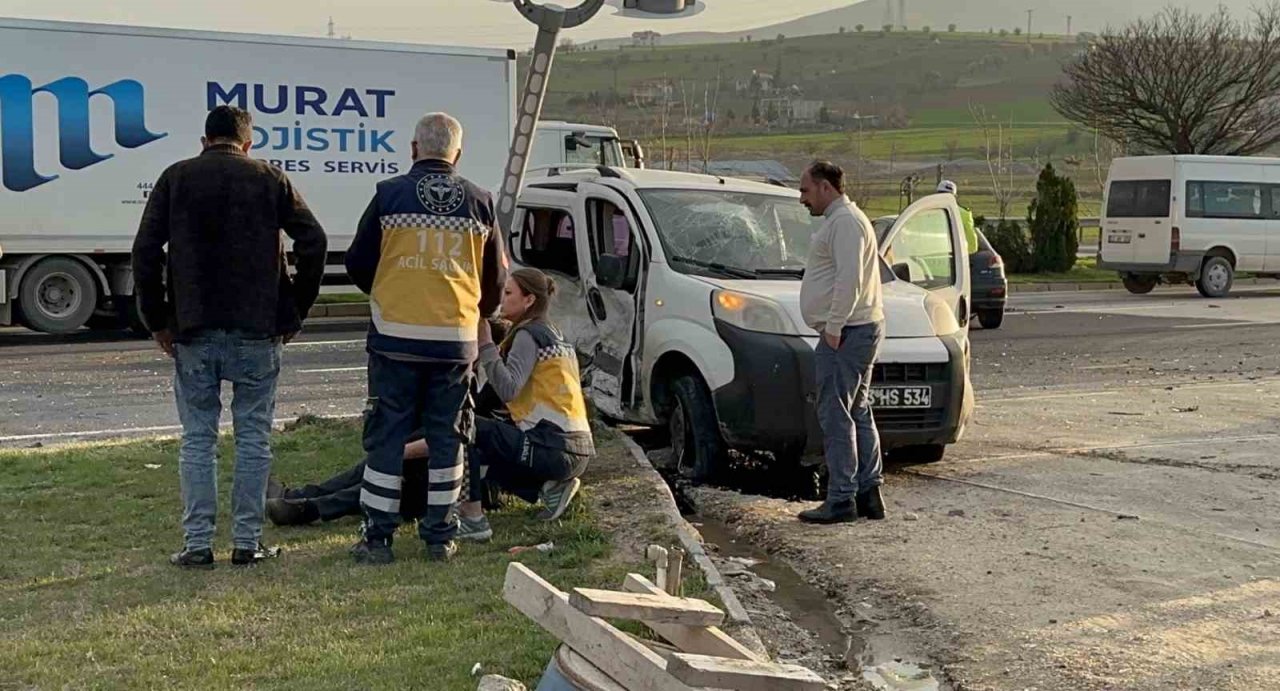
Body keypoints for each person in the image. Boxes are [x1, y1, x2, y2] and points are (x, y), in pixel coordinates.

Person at [132, 105, 328, 568]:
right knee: (253, 437)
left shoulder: (176, 177)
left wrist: (157, 319)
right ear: (248, 143)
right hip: (258, 328)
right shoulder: (270, 178)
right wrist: (294, 309)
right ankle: (247, 541)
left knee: (197, 438)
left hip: (193, 326)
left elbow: (145, 250)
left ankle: (197, 544)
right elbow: (314, 241)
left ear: (204, 141)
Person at [344, 112, 506, 564]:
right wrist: (477, 311)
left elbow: (358, 262)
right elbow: (496, 279)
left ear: (414, 149)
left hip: (395, 338)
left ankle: (378, 538)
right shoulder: (480, 202)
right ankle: (440, 536)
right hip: (454, 343)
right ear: (458, 153)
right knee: (448, 438)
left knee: (387, 437)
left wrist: (389, 289)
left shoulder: (389, 195)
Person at [265, 323, 510, 527]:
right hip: (440, 463)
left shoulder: (487, 391)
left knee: (392, 472)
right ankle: (300, 497)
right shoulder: (465, 380)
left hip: (463, 478)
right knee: (385, 464)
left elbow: (456, 437)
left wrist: (398, 452)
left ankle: (308, 507)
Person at [455, 268, 595, 543]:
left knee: (466, 428)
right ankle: (549, 488)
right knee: (492, 439)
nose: (501, 299)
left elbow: (509, 389)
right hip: (576, 450)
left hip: (552, 446)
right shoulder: (554, 334)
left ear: (529, 300)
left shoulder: (528, 335)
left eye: (508, 293)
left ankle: (472, 519)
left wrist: (486, 346)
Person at [796, 161, 886, 525]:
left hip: (848, 331)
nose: (802, 198)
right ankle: (868, 493)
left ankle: (841, 498)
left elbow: (849, 279)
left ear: (825, 187)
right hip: (856, 329)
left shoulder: (845, 222)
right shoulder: (844, 220)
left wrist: (833, 326)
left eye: (805, 190)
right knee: (857, 410)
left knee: (835, 413)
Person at [937, 180, 979, 255]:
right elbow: (973, 246)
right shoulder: (965, 214)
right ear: (955, 197)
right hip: (957, 256)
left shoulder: (928, 212)